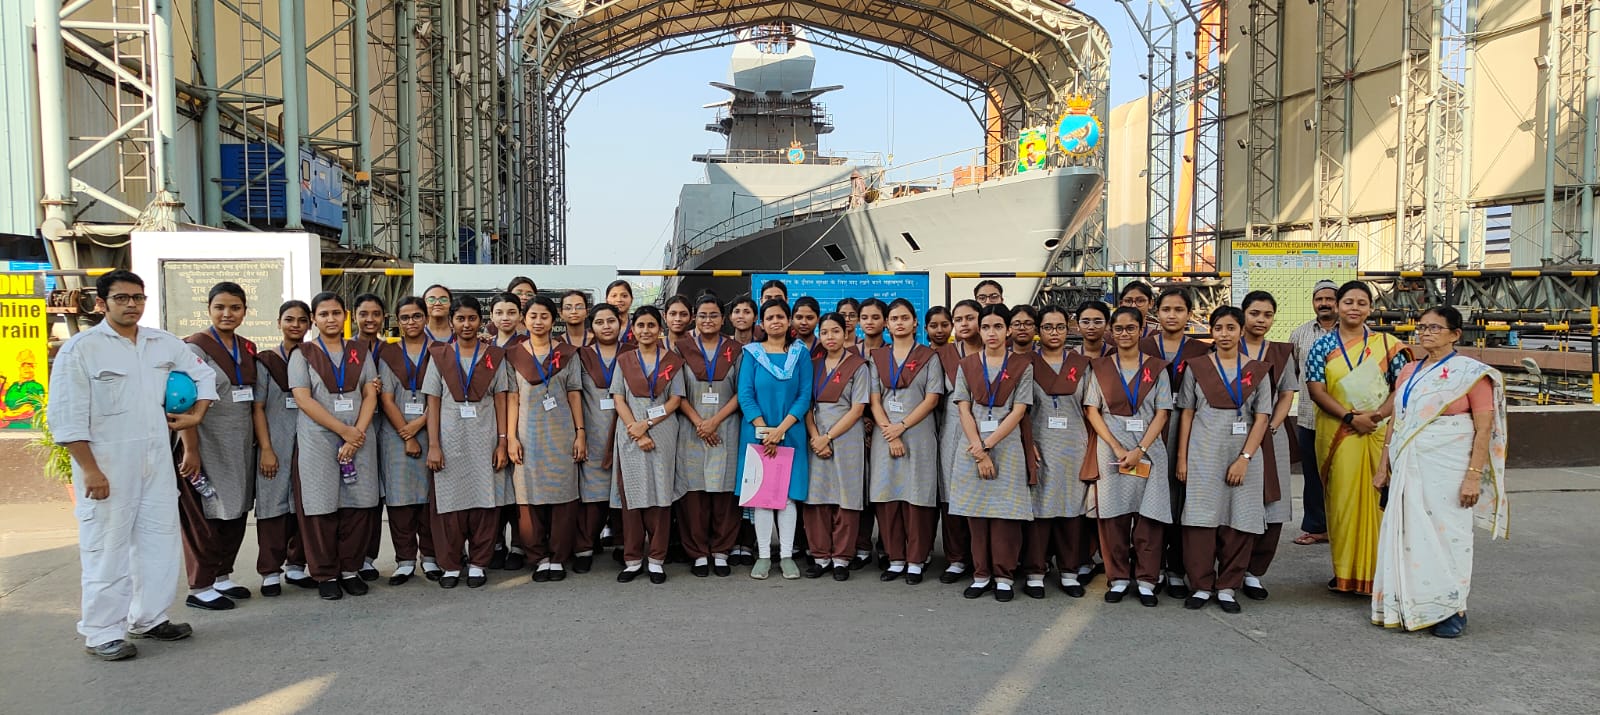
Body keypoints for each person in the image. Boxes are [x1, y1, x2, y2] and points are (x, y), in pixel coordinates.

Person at [50, 269, 215, 660]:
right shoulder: (82, 350)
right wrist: (89, 469)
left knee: (159, 542)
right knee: (106, 548)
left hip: (157, 460)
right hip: (107, 463)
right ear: (101, 303)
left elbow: (203, 375)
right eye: (122, 298)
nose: (131, 305)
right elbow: (67, 417)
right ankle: (102, 632)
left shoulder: (163, 344)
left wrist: (197, 415)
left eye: (137, 298)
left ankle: (150, 618)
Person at [1371, 306, 1508, 638]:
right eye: (1421, 327)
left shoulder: (1472, 375)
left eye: (1434, 327)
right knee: (1407, 533)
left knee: (1449, 536)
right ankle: (1409, 604)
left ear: (1455, 334)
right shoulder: (1408, 371)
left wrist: (1474, 475)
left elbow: (1483, 429)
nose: (1426, 333)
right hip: (1408, 463)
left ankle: (1452, 607)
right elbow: (1397, 421)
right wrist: (1383, 465)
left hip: (1449, 468)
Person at [1305, 280, 1410, 595]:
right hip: (1338, 432)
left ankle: (1381, 574)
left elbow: (1401, 388)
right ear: (1337, 306)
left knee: (1380, 502)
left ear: (1370, 308)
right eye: (1348, 302)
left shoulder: (1388, 344)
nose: (1354, 308)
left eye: (1361, 303)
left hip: (1378, 432)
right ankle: (1346, 574)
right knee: (1342, 502)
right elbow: (1315, 389)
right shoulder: (1322, 345)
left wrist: (1375, 416)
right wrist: (1350, 417)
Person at [1174, 306, 1273, 614]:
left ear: (1241, 331)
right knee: (1200, 520)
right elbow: (1187, 413)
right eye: (1219, 328)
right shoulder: (1197, 367)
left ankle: (1228, 586)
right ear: (1211, 332)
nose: (1225, 334)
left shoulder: (1256, 370)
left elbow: (1262, 417)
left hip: (1244, 455)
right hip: (1203, 453)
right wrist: (1182, 458)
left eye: (1231, 328)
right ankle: (1202, 584)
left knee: (1238, 520)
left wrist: (1244, 458)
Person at [290, 292, 381, 601]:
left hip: (359, 437)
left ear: (345, 316)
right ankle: (326, 572)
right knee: (322, 506)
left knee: (358, 504)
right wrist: (343, 430)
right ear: (314, 318)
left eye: (335, 313)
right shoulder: (302, 354)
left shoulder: (359, 351)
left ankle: (350, 569)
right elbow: (303, 398)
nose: (330, 319)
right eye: (323, 314)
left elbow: (370, 393)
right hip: (319, 439)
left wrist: (356, 433)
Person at [176, 282, 260, 610]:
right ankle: (200, 585)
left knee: (234, 510)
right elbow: (182, 402)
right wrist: (191, 450)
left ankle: (223, 576)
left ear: (244, 311)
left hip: (238, 444)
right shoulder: (195, 348)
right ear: (209, 309)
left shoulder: (247, 347)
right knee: (205, 514)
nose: (228, 314)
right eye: (220, 307)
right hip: (206, 443)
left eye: (235, 308)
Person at [1084, 306, 1174, 607]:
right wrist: (1119, 448)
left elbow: (1162, 413)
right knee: (1113, 517)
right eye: (1119, 328)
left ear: (1141, 330)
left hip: (1148, 450)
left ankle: (1147, 579)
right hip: (1111, 451)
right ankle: (1119, 577)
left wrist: (1140, 450)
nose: (1124, 334)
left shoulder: (1158, 368)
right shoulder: (1101, 368)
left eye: (1130, 328)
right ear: (1112, 331)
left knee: (1149, 517)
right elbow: (1092, 410)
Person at [423, 296, 512, 590]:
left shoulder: (493, 356)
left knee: (484, 502)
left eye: (472, 318)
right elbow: (433, 402)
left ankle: (477, 563)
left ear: (480, 321)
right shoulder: (440, 356)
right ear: (451, 322)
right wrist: (433, 444)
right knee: (450, 505)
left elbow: (501, 400)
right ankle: (450, 564)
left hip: (484, 438)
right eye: (460, 319)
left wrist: (502, 442)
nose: (466, 325)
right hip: (449, 440)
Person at [949, 304, 1035, 602]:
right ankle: (981, 573)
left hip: (1006, 444)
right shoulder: (967, 364)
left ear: (1008, 329)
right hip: (971, 444)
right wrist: (979, 448)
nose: (992, 332)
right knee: (976, 512)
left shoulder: (1022, 365)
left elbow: (1019, 410)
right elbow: (963, 407)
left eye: (998, 326)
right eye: (986, 327)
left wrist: (988, 445)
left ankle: (1003, 575)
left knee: (1005, 516)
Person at [506, 296, 585, 583]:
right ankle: (538, 556)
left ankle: (559, 556)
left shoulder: (568, 353)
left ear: (554, 320)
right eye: (533, 316)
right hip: (527, 432)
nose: (538, 321)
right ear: (523, 320)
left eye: (544, 316)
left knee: (563, 494)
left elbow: (574, 392)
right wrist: (511, 437)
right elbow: (512, 397)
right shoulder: (514, 354)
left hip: (562, 432)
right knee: (529, 496)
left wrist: (580, 433)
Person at [1140, 288, 1211, 599]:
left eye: (1179, 309)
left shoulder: (1200, 350)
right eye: (1166, 308)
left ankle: (1176, 568)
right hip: (1145, 426)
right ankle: (1147, 566)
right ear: (1157, 311)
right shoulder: (1142, 345)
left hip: (1185, 426)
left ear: (1189, 314)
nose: (1172, 315)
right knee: (1149, 498)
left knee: (1181, 497)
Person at [867, 299, 944, 584]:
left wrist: (901, 427)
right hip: (884, 433)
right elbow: (874, 399)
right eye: (894, 318)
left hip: (918, 433)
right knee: (888, 496)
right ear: (887, 324)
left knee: (917, 497)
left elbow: (932, 398)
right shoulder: (877, 357)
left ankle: (915, 559)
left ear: (915, 323)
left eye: (904, 318)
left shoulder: (928, 357)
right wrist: (889, 429)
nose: (899, 322)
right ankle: (896, 558)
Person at [736, 299, 813, 580]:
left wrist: (781, 429)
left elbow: (805, 395)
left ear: (789, 320)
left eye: (781, 316)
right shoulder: (751, 354)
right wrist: (765, 430)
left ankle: (787, 555)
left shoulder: (800, 354)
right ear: (762, 323)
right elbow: (745, 394)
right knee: (763, 496)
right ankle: (765, 556)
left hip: (790, 430)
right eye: (770, 317)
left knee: (789, 497)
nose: (776, 322)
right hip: (758, 433)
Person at [1023, 305, 1096, 599]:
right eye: (1048, 327)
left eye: (1060, 327)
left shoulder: (1083, 365)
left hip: (1073, 445)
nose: (1054, 333)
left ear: (1069, 329)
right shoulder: (1025, 364)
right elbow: (1021, 410)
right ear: (1038, 331)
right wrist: (1027, 443)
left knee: (1071, 510)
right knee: (1039, 510)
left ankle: (1069, 570)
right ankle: (1035, 571)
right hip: (1040, 444)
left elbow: (1091, 408)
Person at [611, 306, 685, 584]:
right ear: (633, 329)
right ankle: (632, 560)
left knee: (660, 495)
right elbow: (618, 398)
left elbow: (675, 400)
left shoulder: (671, 360)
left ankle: (656, 558)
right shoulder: (624, 360)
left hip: (663, 431)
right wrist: (636, 429)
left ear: (660, 329)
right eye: (640, 325)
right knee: (632, 495)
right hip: (629, 431)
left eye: (651, 325)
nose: (645, 330)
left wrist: (648, 425)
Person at [674, 296, 744, 578]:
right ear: (694, 318)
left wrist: (714, 421)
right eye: (702, 315)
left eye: (713, 315)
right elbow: (676, 392)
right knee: (694, 493)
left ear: (723, 318)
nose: (707, 321)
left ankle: (721, 550)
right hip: (691, 428)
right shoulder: (681, 350)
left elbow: (743, 391)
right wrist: (700, 422)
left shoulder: (736, 350)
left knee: (724, 492)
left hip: (726, 426)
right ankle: (698, 552)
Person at [1238, 291, 1301, 600]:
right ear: (1243, 315)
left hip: (1272, 436)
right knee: (1235, 499)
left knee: (1272, 503)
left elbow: (1288, 392)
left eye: (1267, 315)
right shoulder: (1228, 347)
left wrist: (1273, 424)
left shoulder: (1280, 352)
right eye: (1254, 313)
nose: (1261, 320)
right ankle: (1230, 568)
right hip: (1233, 435)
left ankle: (1254, 572)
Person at [373, 297, 439, 585]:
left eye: (416, 316)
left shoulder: (439, 351)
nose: (411, 322)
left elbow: (441, 394)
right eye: (405, 317)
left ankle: (432, 557)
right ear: (396, 321)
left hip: (432, 429)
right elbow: (385, 398)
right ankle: (405, 560)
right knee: (400, 500)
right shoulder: (387, 353)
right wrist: (406, 433)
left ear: (425, 318)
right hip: (395, 434)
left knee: (428, 500)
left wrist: (420, 424)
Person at [802, 312, 870, 581]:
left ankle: (842, 557)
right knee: (816, 497)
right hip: (815, 438)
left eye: (836, 332)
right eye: (825, 332)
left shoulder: (858, 366)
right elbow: (805, 406)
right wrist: (816, 436)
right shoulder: (812, 365)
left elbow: (858, 409)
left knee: (846, 497)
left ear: (846, 334)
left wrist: (828, 437)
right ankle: (820, 556)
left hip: (845, 437)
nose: (830, 337)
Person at [254, 301, 311, 595]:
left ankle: (297, 565)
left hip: (308, 444)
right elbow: (259, 406)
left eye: (302, 320)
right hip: (275, 442)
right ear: (279, 323)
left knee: (303, 505)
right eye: (289, 319)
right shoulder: (265, 361)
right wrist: (266, 447)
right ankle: (269, 571)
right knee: (272, 507)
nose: (296, 325)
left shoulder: (314, 358)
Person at [573, 304, 629, 572]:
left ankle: (622, 544)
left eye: (611, 321)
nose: (606, 326)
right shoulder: (580, 355)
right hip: (593, 430)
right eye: (600, 322)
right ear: (591, 326)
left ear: (620, 324)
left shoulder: (632, 353)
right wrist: (579, 433)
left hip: (625, 430)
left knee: (622, 490)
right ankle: (585, 545)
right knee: (592, 494)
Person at [934, 299, 982, 584]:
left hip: (989, 429)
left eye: (970, 318)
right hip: (952, 428)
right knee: (951, 493)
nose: (964, 324)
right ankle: (956, 557)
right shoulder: (944, 355)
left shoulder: (996, 352)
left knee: (983, 491)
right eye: (959, 319)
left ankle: (982, 556)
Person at [1289, 279, 1339, 545]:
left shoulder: (1359, 333)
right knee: (1312, 475)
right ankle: (1317, 527)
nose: (1324, 303)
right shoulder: (1300, 334)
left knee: (1345, 475)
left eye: (1330, 299)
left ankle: (1344, 526)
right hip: (1309, 417)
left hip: (1346, 418)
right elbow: (1292, 374)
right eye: (1320, 299)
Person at [486, 293, 528, 570]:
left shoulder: (526, 348)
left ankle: (519, 545)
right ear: (491, 317)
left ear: (520, 316)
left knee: (518, 491)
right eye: (499, 312)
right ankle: (496, 543)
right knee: (494, 487)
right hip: (490, 423)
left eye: (511, 312)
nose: (505, 318)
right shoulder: (483, 348)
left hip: (522, 422)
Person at [351, 293, 388, 582]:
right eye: (364, 313)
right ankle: (350, 554)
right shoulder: (343, 349)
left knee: (376, 496)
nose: (370, 319)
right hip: (353, 428)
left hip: (384, 429)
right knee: (355, 493)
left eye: (376, 314)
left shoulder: (389, 351)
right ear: (354, 316)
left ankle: (367, 557)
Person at [605, 280, 636, 344]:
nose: (619, 300)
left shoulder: (637, 324)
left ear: (631, 299)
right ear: (606, 300)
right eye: (614, 296)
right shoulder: (599, 325)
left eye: (624, 296)